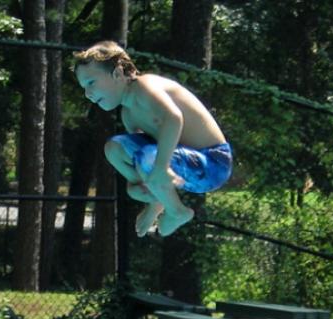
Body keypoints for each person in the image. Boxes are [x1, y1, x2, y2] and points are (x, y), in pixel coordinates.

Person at [74, 40, 233, 238]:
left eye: (91, 83)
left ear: (117, 73)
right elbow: (140, 153)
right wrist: (137, 184)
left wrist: (161, 167)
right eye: (84, 88)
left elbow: (174, 118)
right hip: (177, 162)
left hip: (211, 164)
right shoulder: (128, 114)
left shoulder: (146, 86)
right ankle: (154, 198)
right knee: (114, 147)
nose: (88, 94)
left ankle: (177, 211)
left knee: (148, 157)